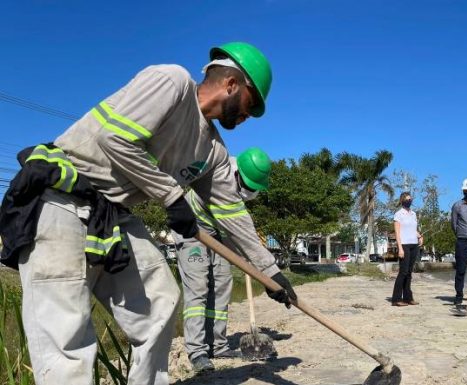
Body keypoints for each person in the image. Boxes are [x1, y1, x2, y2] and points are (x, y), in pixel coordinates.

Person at [0, 42, 296, 385]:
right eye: (251, 103)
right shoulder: (172, 82)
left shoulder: (213, 151)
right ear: (232, 84)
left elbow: (231, 212)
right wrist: (172, 197)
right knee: (66, 337)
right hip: (61, 198)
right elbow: (115, 138)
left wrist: (270, 271)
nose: (249, 115)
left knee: (161, 301)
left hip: (112, 213)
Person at [174, 148, 286, 372]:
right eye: (250, 186)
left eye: (255, 187)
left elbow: (242, 236)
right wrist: (269, 273)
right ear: (238, 174)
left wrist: (265, 273)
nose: (251, 191)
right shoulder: (219, 179)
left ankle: (218, 344)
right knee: (198, 289)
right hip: (192, 233)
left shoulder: (237, 190)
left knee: (223, 286)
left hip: (217, 236)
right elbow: (242, 233)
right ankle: (197, 352)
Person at [391, 192, 423, 306]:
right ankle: (396, 299)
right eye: (406, 199)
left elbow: (412, 229)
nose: (409, 201)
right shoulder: (398, 214)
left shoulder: (413, 214)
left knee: (409, 272)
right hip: (404, 245)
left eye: (410, 199)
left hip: (413, 245)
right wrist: (400, 248)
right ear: (402, 201)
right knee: (403, 272)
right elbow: (397, 232)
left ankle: (408, 298)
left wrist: (420, 236)